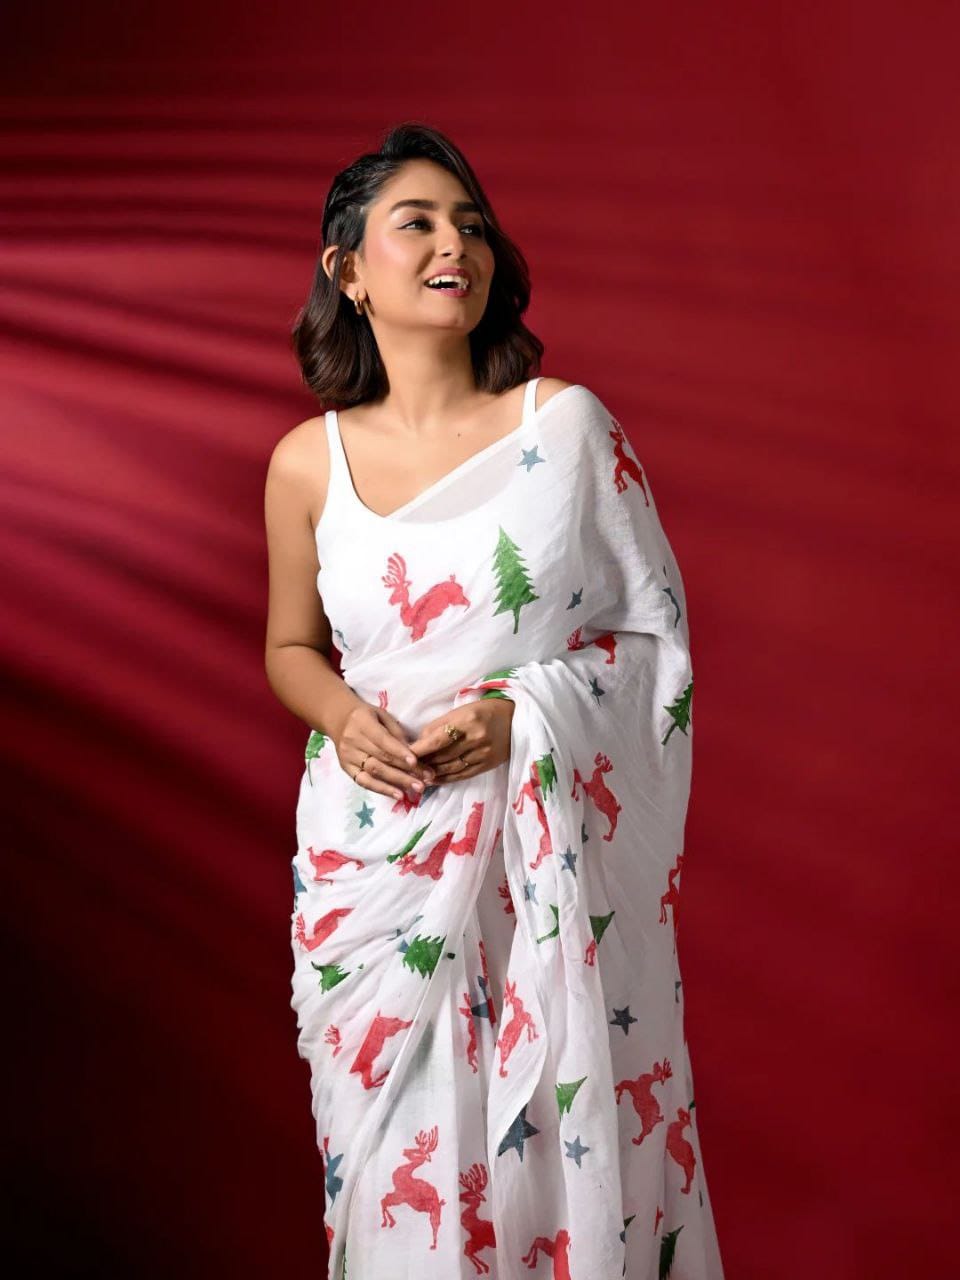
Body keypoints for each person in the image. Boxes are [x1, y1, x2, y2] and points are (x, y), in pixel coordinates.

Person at [263, 121, 725, 1280]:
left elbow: (652, 640)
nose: (453, 242)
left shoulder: (562, 429)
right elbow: (288, 645)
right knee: (396, 1211)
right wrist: (338, 714)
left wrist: (526, 717)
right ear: (346, 269)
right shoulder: (307, 465)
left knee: (556, 1189)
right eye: (414, 221)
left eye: (469, 222)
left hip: (538, 876)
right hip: (381, 876)